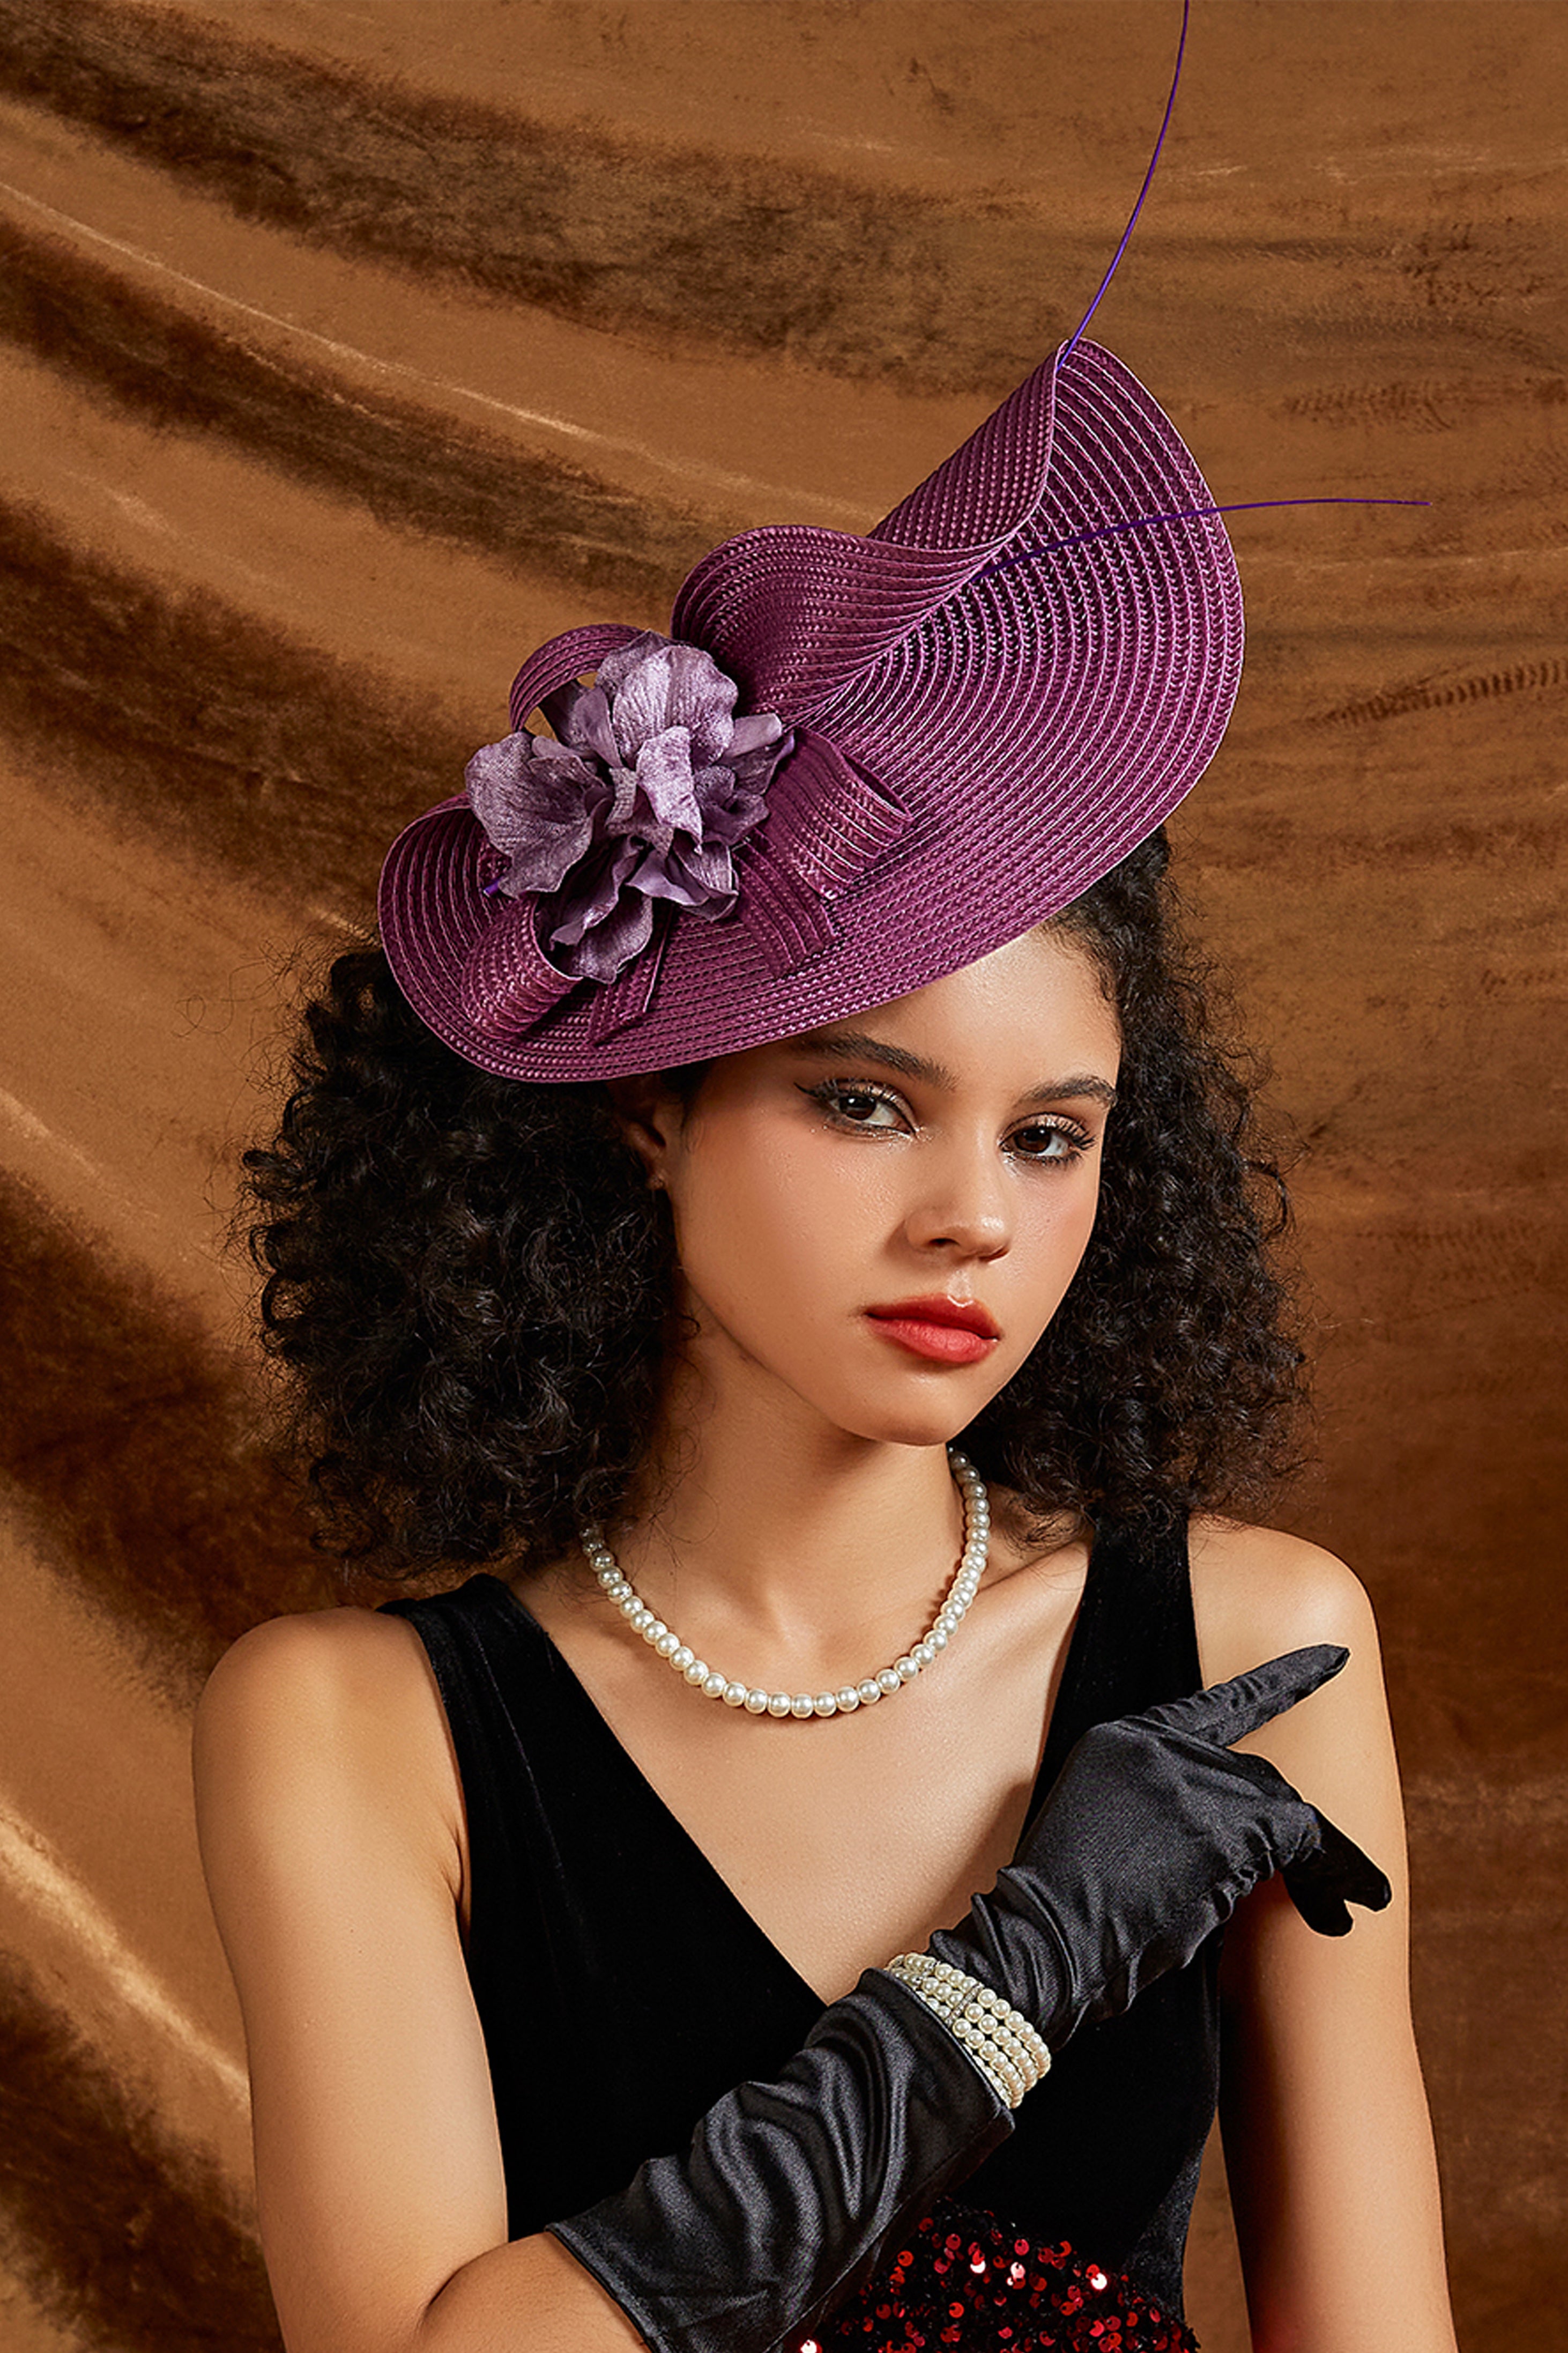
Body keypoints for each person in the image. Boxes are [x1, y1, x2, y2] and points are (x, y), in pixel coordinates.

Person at [191, 44, 1458, 2351]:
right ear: (643, 1112)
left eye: (1052, 1133)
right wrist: (1017, 1974)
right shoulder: (358, 1726)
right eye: (870, 1104)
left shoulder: (1256, 1650)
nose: (979, 1213)